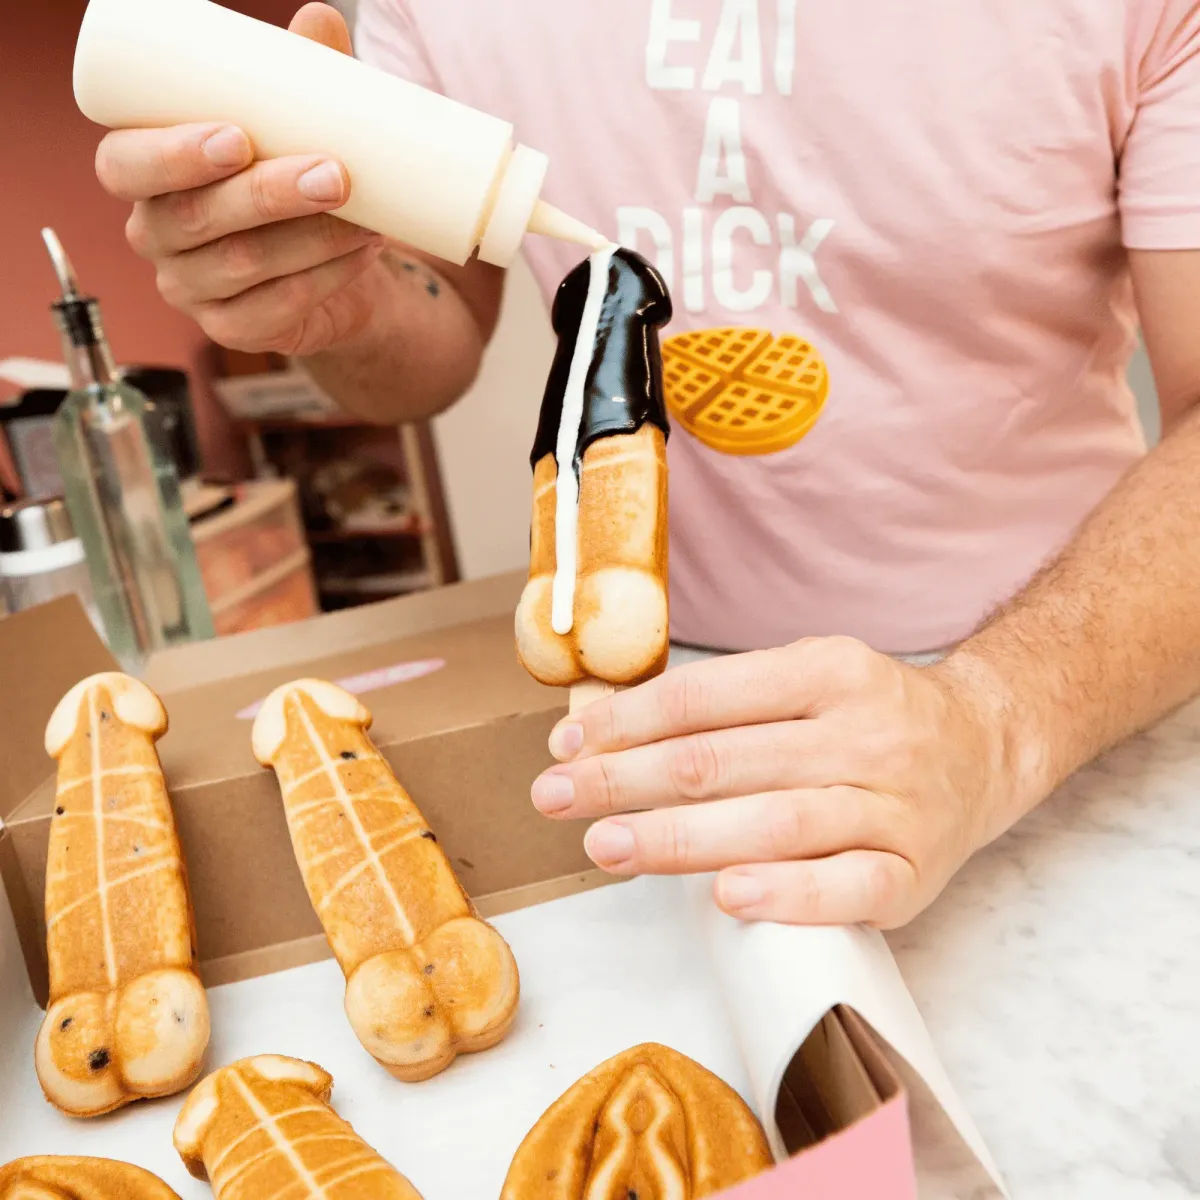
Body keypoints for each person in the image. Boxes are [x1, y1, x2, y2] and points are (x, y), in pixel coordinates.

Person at [93, 1, 1200, 929]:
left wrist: (995, 725)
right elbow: (424, 345)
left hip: (1073, 701)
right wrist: (331, 312)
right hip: (651, 723)